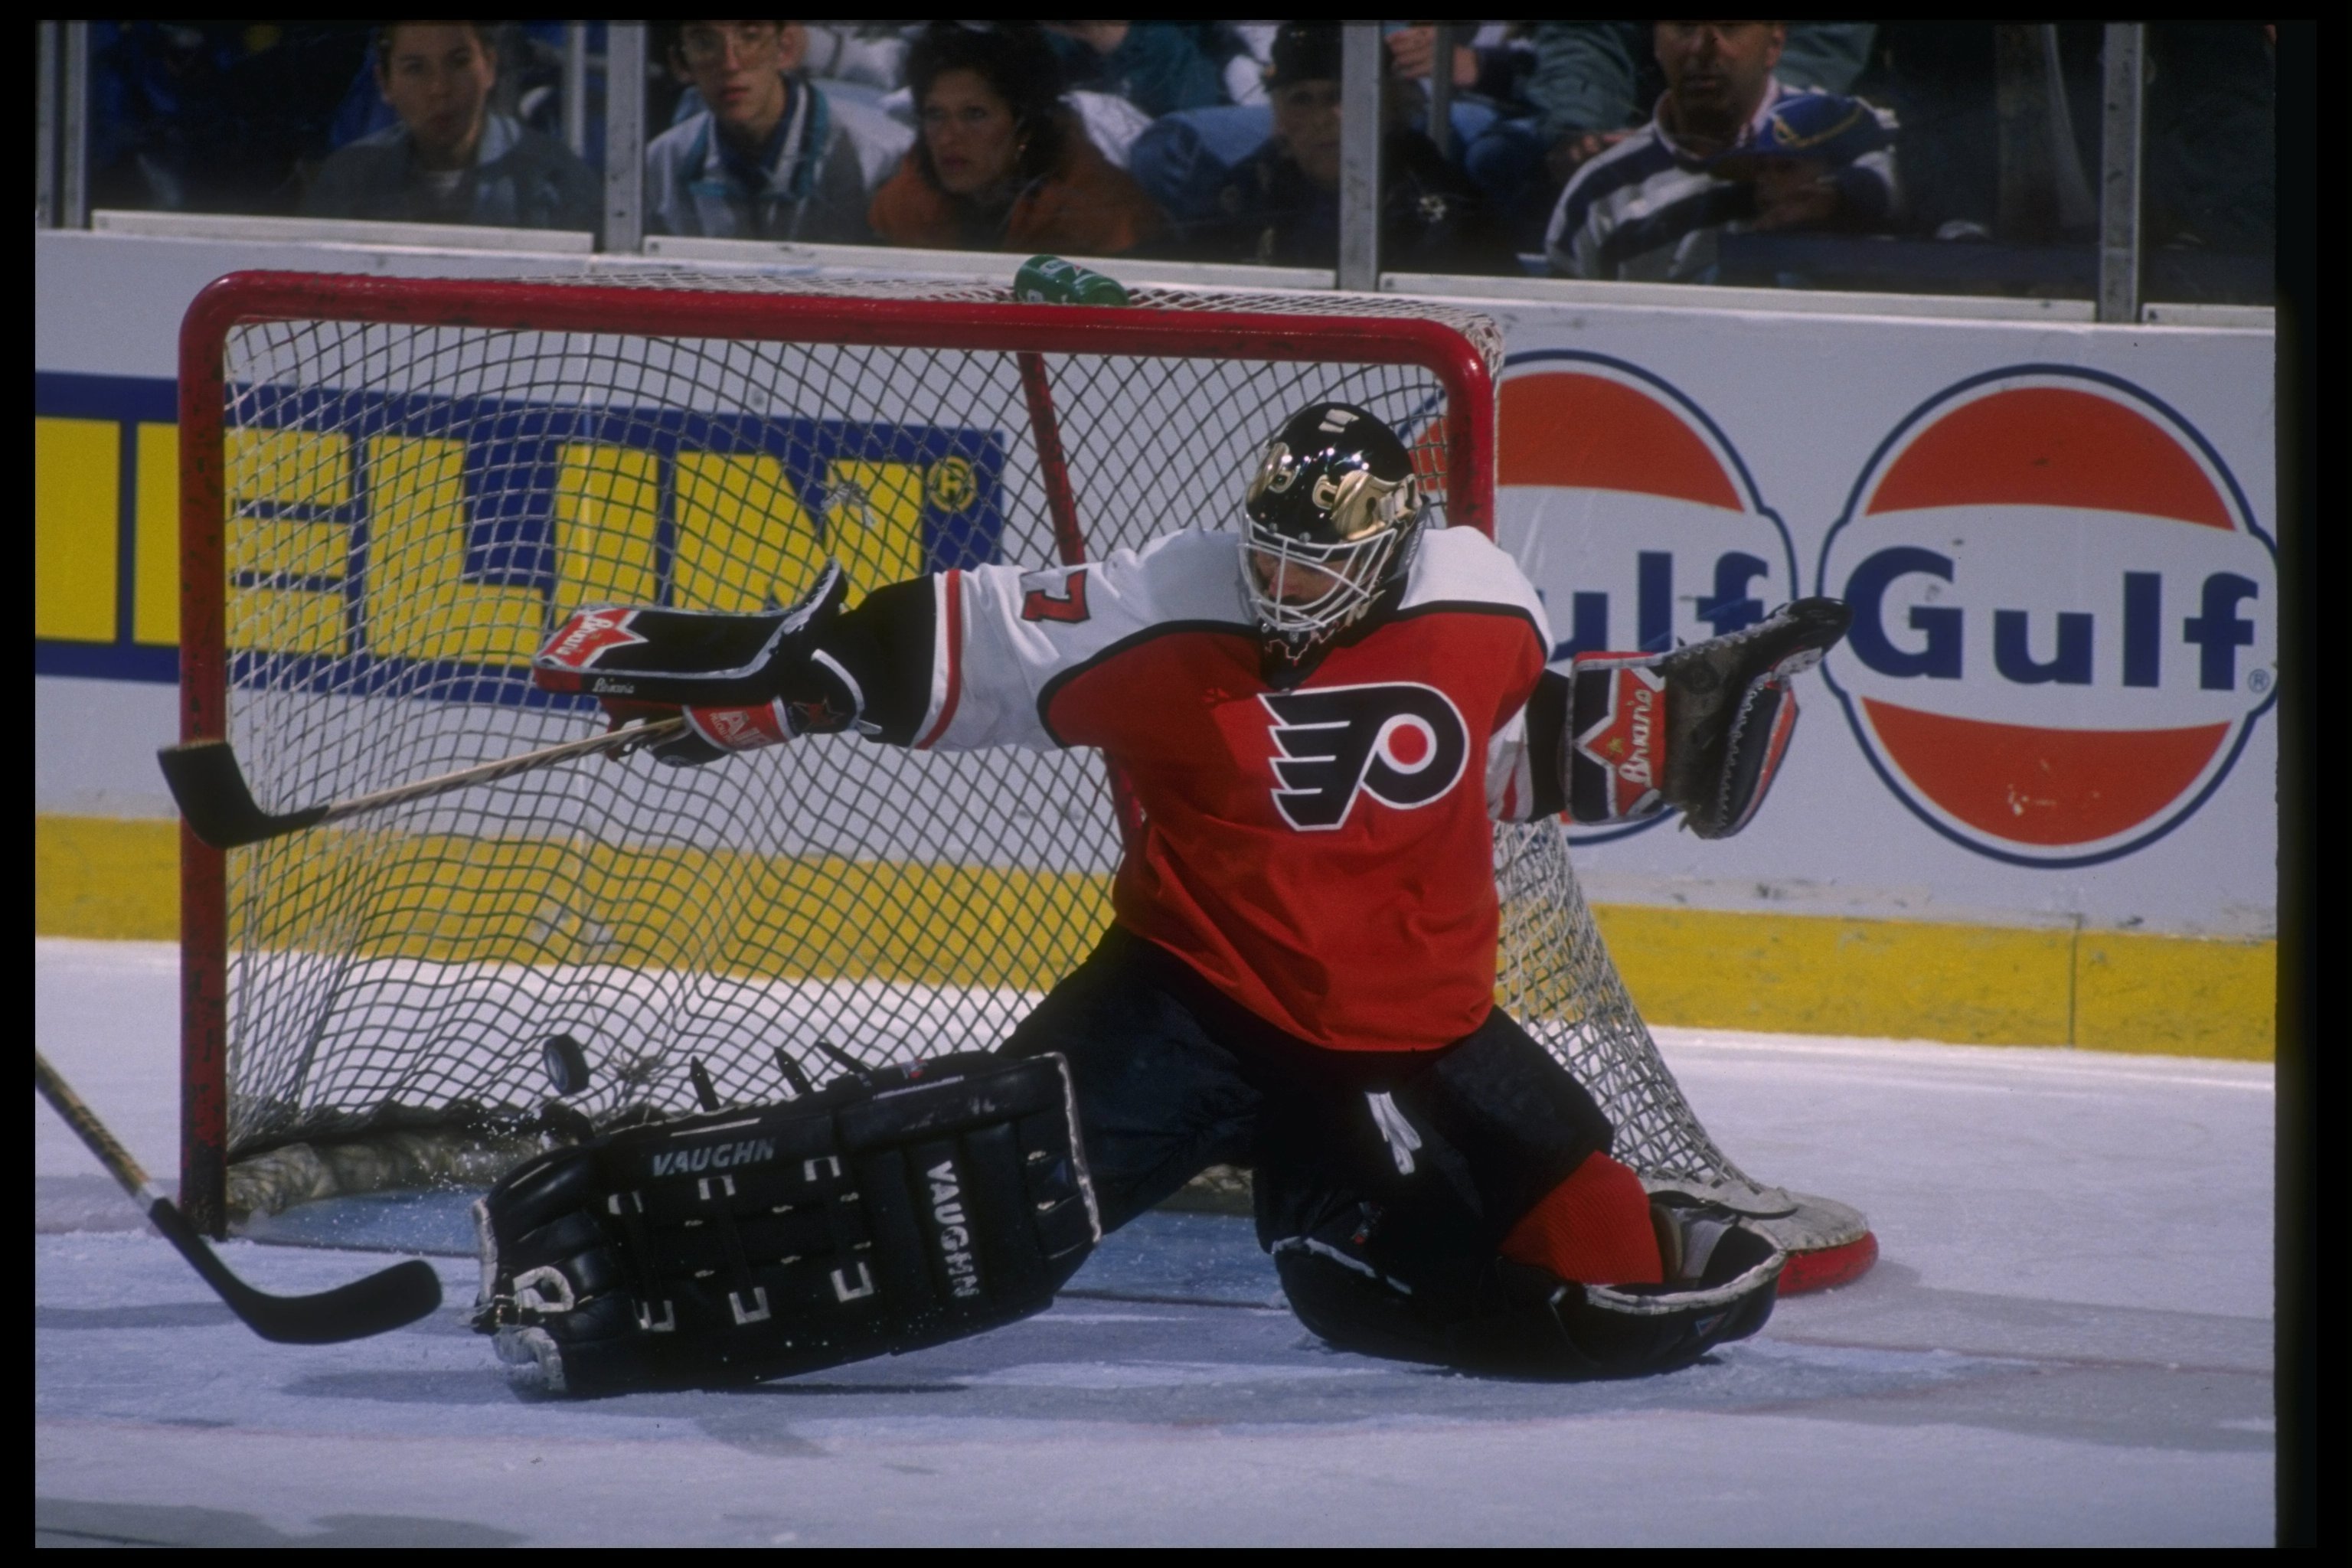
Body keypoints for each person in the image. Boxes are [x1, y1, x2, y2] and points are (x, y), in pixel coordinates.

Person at [482, 398, 1851, 1391]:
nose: (1281, 584)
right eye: (1269, 551)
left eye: (1315, 564)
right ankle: (627, 1245)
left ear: (1388, 554)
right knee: (968, 1220)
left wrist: (1683, 726)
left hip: (1418, 1016)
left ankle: (1338, 1224)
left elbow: (1516, 751)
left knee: (1597, 1266)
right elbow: (970, 637)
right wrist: (786, 685)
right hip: (1191, 1001)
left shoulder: (1487, 600)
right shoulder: (1171, 602)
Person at [1545, 21, 1900, 283]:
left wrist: (1839, 196)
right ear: (1655, 41)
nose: (1704, 46)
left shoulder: (1845, 129)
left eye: (1730, 26)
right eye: (1684, 26)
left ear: (1775, 42)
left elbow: (1917, 176)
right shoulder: (1599, 191)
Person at [1186, 22, 1515, 274]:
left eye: (1340, 96)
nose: (1322, 119)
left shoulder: (1433, 196)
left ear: (1388, 107)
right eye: (1301, 100)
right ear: (1280, 117)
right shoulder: (1249, 186)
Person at [867, 24, 1164, 256]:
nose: (947, 137)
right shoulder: (907, 199)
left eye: (974, 115)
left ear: (1024, 126)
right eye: (935, 114)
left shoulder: (1097, 215)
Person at [304, 21, 598, 231]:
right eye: (415, 68)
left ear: (490, 68)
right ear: (385, 83)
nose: (439, 88)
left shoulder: (557, 180)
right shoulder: (347, 179)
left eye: (459, 62)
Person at [644, 22, 877, 243]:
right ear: (681, 64)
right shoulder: (660, 163)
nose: (730, 64)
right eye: (704, 43)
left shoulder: (873, 158)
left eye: (751, 37)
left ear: (785, 48)